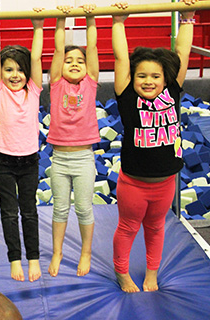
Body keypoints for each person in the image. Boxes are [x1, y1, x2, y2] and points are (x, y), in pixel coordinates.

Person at [112, 0, 196, 292]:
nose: (149, 81)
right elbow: (122, 58)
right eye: (142, 76)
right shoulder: (128, 99)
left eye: (155, 76)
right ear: (131, 79)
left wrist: (187, 18)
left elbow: (182, 53)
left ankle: (152, 273)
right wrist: (118, 22)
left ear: (165, 79)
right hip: (134, 183)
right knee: (128, 228)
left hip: (165, 183)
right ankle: (122, 273)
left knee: (156, 228)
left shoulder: (172, 93)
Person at [0, 8, 44, 282]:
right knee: (9, 212)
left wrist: (38, 26)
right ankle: (15, 259)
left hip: (29, 160)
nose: (14, 74)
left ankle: (33, 258)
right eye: (9, 70)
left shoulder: (34, 90)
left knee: (29, 210)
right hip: (3, 160)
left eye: (20, 70)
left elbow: (36, 57)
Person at [46, 5, 99, 278]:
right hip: (59, 158)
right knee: (60, 207)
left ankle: (86, 252)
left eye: (80, 60)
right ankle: (57, 252)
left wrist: (90, 18)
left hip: (83, 158)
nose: (75, 63)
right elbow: (57, 51)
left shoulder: (90, 83)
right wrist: (61, 19)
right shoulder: (56, 83)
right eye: (69, 60)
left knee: (84, 207)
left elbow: (92, 49)